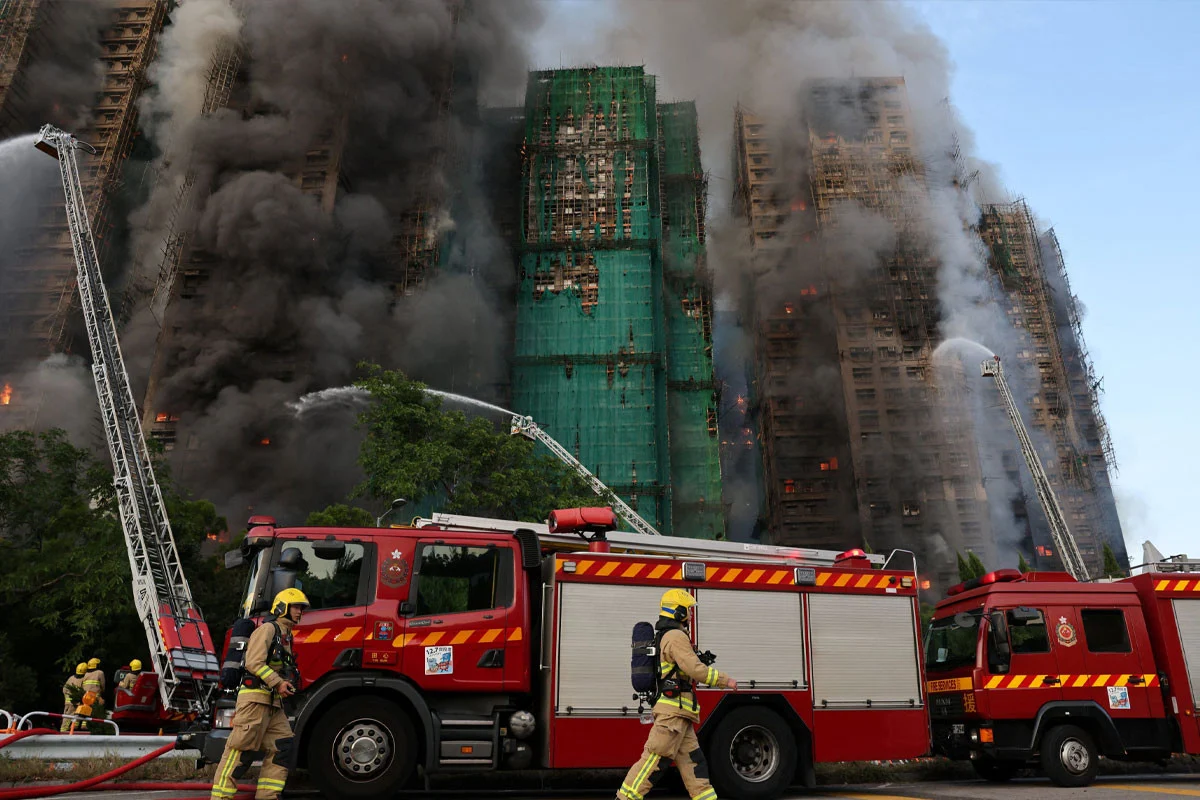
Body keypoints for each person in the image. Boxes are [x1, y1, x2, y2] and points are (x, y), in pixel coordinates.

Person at [617, 589, 737, 800]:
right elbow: (694, 669)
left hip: (680, 713)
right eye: (688, 610)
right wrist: (724, 680)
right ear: (678, 610)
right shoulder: (675, 636)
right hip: (673, 712)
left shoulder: (670, 635)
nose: (690, 614)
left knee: (694, 765)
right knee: (654, 761)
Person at [210, 588, 308, 800]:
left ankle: (267, 796)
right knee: (240, 751)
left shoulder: (286, 635)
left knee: (282, 747)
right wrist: (278, 682)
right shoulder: (267, 630)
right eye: (297, 607)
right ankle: (220, 798)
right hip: (255, 700)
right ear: (282, 608)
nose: (300, 612)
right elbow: (254, 663)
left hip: (273, 703)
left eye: (302, 608)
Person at [60, 663, 86, 732]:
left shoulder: (71, 678)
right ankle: (63, 732)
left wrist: (67, 697)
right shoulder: (83, 679)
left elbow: (64, 689)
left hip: (68, 702)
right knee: (68, 717)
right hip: (75, 702)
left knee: (68, 716)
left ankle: (67, 730)